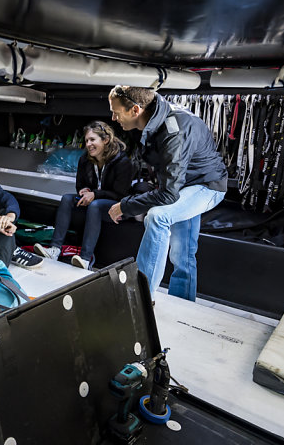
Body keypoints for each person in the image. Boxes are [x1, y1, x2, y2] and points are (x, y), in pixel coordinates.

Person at [107, 86, 227, 301]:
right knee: (183, 253)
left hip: (207, 186)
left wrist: (124, 206)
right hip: (186, 185)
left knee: (158, 216)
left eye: (116, 112)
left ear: (135, 110)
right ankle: (184, 302)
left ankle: (141, 297)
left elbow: (169, 195)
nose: (113, 118)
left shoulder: (173, 131)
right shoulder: (157, 118)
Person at [34, 121, 132, 269]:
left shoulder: (122, 162)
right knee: (67, 198)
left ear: (105, 140)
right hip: (94, 201)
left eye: (92, 140)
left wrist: (95, 195)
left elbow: (120, 194)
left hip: (116, 206)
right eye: (86, 140)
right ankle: (54, 249)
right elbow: (79, 184)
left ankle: (85, 259)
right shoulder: (85, 159)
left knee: (96, 205)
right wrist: (84, 190)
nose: (88, 144)